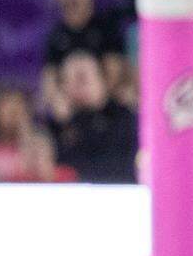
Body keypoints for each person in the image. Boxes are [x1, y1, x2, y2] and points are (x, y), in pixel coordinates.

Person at [48, 51, 137, 183]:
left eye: (82, 78)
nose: (76, 85)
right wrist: (65, 124)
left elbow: (114, 166)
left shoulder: (124, 117)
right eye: (70, 79)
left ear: (101, 79)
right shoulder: (54, 125)